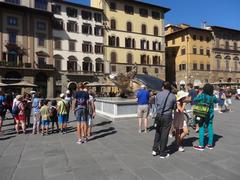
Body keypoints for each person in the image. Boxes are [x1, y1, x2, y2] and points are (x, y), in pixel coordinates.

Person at [152, 81, 176, 158]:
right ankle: (162, 152)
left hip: (158, 115)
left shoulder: (158, 94)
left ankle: (155, 150)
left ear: (163, 87)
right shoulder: (172, 96)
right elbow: (174, 107)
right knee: (164, 134)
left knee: (158, 132)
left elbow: (156, 105)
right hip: (167, 116)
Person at [193, 84, 218, 151]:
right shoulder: (213, 96)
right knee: (210, 128)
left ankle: (201, 145)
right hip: (210, 114)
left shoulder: (202, 95)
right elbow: (216, 101)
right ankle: (210, 144)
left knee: (201, 128)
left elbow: (195, 99)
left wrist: (200, 93)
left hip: (202, 113)